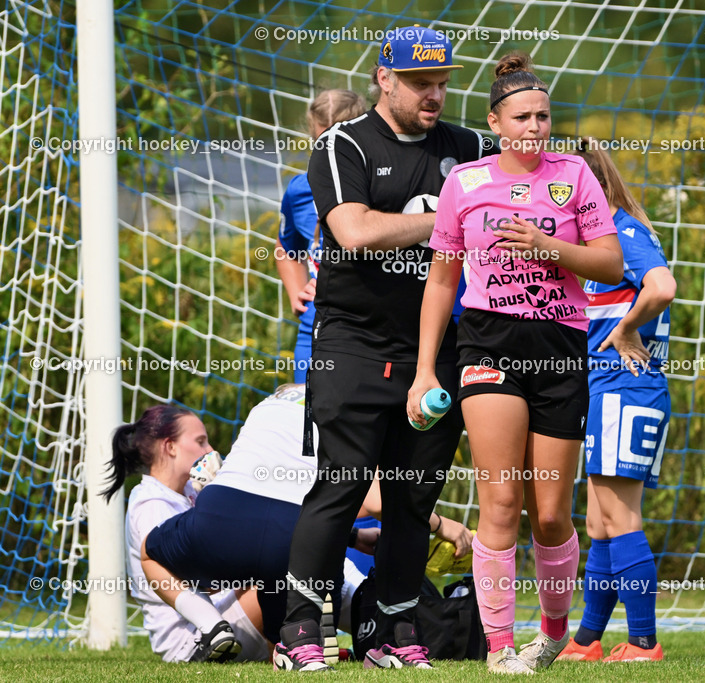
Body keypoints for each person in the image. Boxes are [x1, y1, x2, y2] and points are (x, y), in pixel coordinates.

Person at [275, 25, 487, 671]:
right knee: (340, 485)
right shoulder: (343, 145)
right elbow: (356, 231)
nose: (435, 94)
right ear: (384, 78)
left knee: (413, 497)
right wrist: (452, 216)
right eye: (422, 83)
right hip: (354, 344)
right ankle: (301, 627)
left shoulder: (471, 145)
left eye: (444, 82)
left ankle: (394, 630)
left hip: (437, 350)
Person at [408, 52, 624, 675]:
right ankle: (501, 648)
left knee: (550, 511)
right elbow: (442, 281)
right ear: (496, 123)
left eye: (544, 117)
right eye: (523, 117)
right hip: (487, 346)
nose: (535, 127)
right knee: (499, 501)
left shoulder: (576, 175)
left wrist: (551, 246)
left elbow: (610, 265)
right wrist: (427, 369)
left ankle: (553, 634)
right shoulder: (465, 184)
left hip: (558, 350)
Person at [139, 384, 473, 665]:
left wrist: (354, 536)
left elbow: (266, 503)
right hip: (292, 539)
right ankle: (315, 638)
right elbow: (374, 501)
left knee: (150, 554)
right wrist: (441, 524)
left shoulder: (266, 407)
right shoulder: (344, 411)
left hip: (223, 513)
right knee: (313, 555)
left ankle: (237, 632)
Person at [554, 141, 676, 663]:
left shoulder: (623, 231)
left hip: (624, 387)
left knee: (622, 519)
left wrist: (626, 329)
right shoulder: (597, 244)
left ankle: (645, 642)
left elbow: (663, 286)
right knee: (600, 523)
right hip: (607, 390)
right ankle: (587, 640)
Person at [102, 406, 267, 663]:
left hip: (222, 617)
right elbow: (202, 578)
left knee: (284, 565)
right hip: (192, 639)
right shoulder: (151, 503)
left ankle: (305, 645)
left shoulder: (191, 491)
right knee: (283, 578)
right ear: (170, 447)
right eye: (200, 441)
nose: (210, 450)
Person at [275, 89, 366, 383]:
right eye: (322, 142)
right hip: (315, 330)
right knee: (312, 424)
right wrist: (297, 294)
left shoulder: (384, 185)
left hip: (373, 328)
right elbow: (287, 249)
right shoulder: (300, 190)